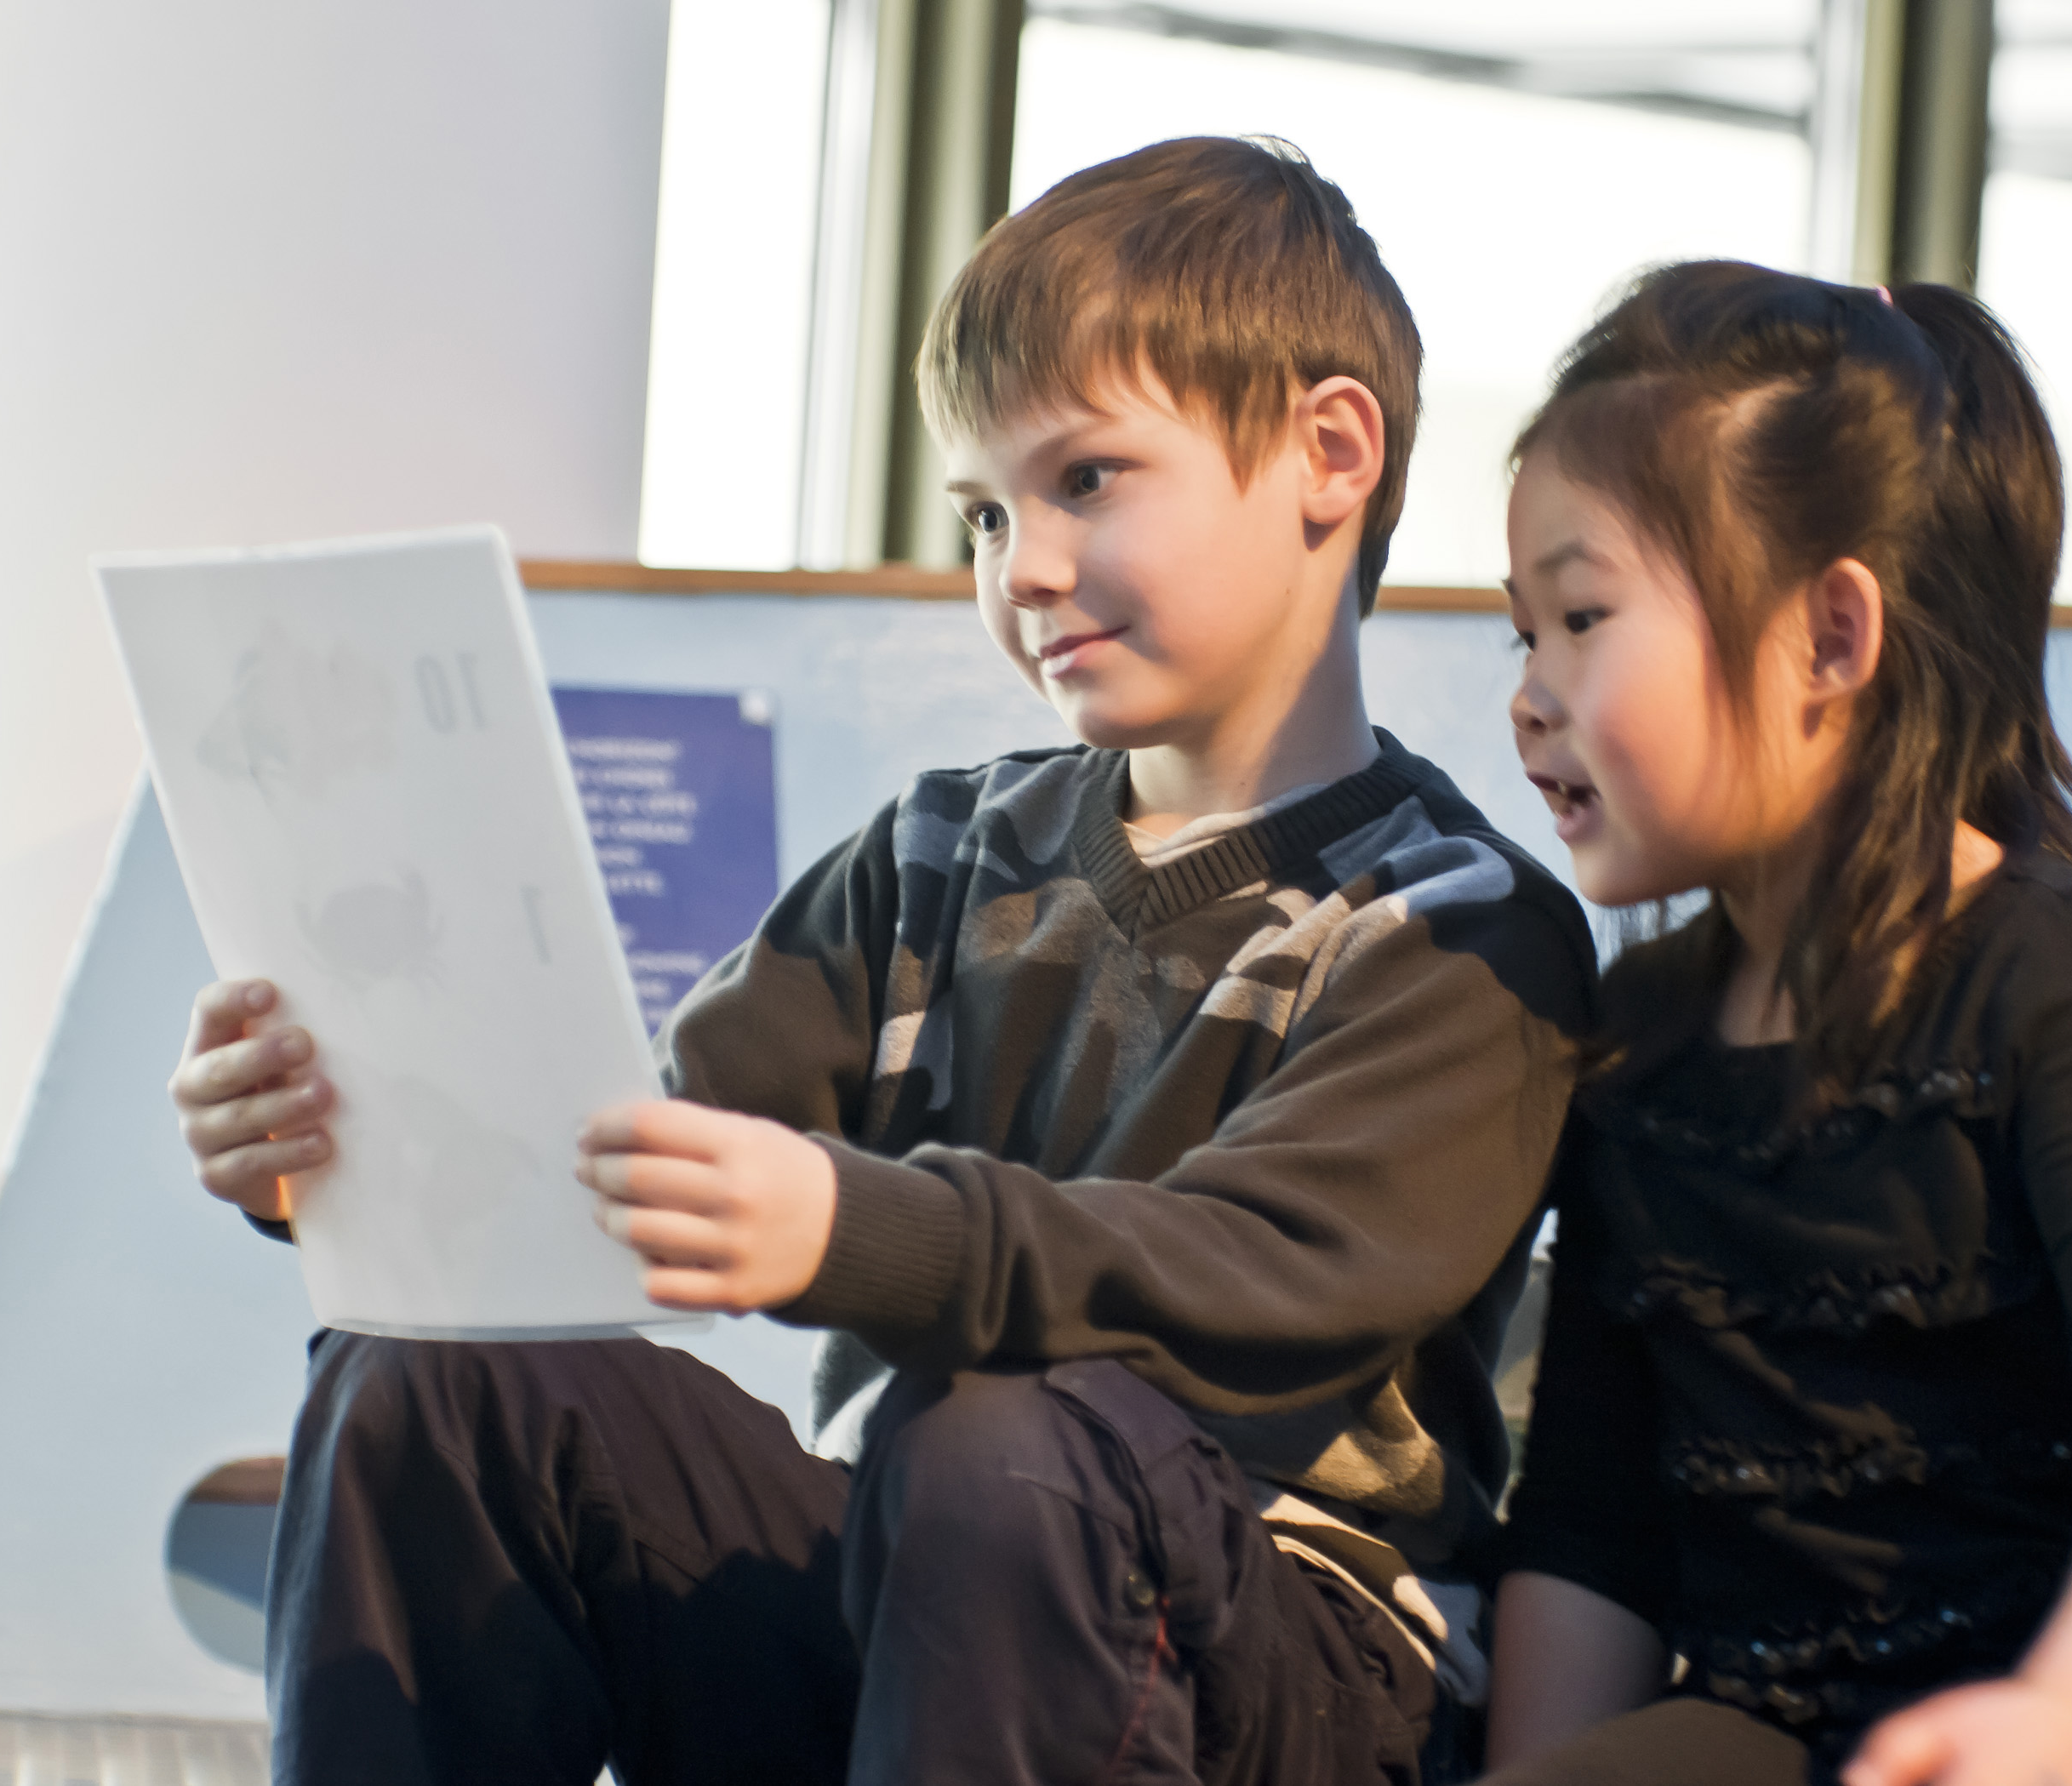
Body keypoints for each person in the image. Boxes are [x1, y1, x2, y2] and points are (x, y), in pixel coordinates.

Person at [168, 135, 1596, 1786]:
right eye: (987, 512)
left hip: (1284, 1669)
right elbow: (628, 1163)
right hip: (933, 1604)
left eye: (1086, 480)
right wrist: (343, 1152)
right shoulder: (936, 858)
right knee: (431, 1385)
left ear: (1326, 455)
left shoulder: (1461, 934)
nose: (1025, 569)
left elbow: (1235, 1275)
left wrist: (851, 1227)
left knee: (995, 1443)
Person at [1481, 260, 2072, 1786]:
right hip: (1793, 1735)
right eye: (1525, 631)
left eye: (1581, 617)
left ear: (1832, 640)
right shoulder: (1639, 1040)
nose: (1528, 692)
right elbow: (1593, 1535)